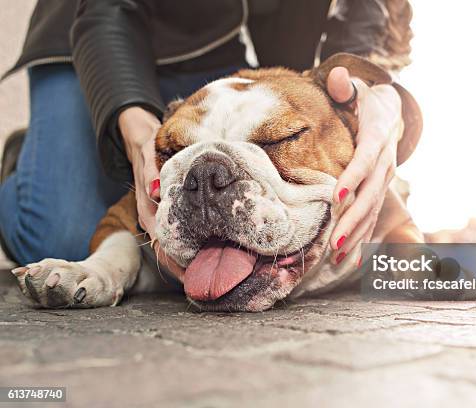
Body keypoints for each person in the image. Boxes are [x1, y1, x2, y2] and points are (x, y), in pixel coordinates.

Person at [0, 0, 421, 279]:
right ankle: (27, 159)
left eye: (282, 140)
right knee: (63, 238)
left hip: (218, 48)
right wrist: (135, 123)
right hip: (92, 34)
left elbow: (367, 11)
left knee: (241, 152)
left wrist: (370, 91)